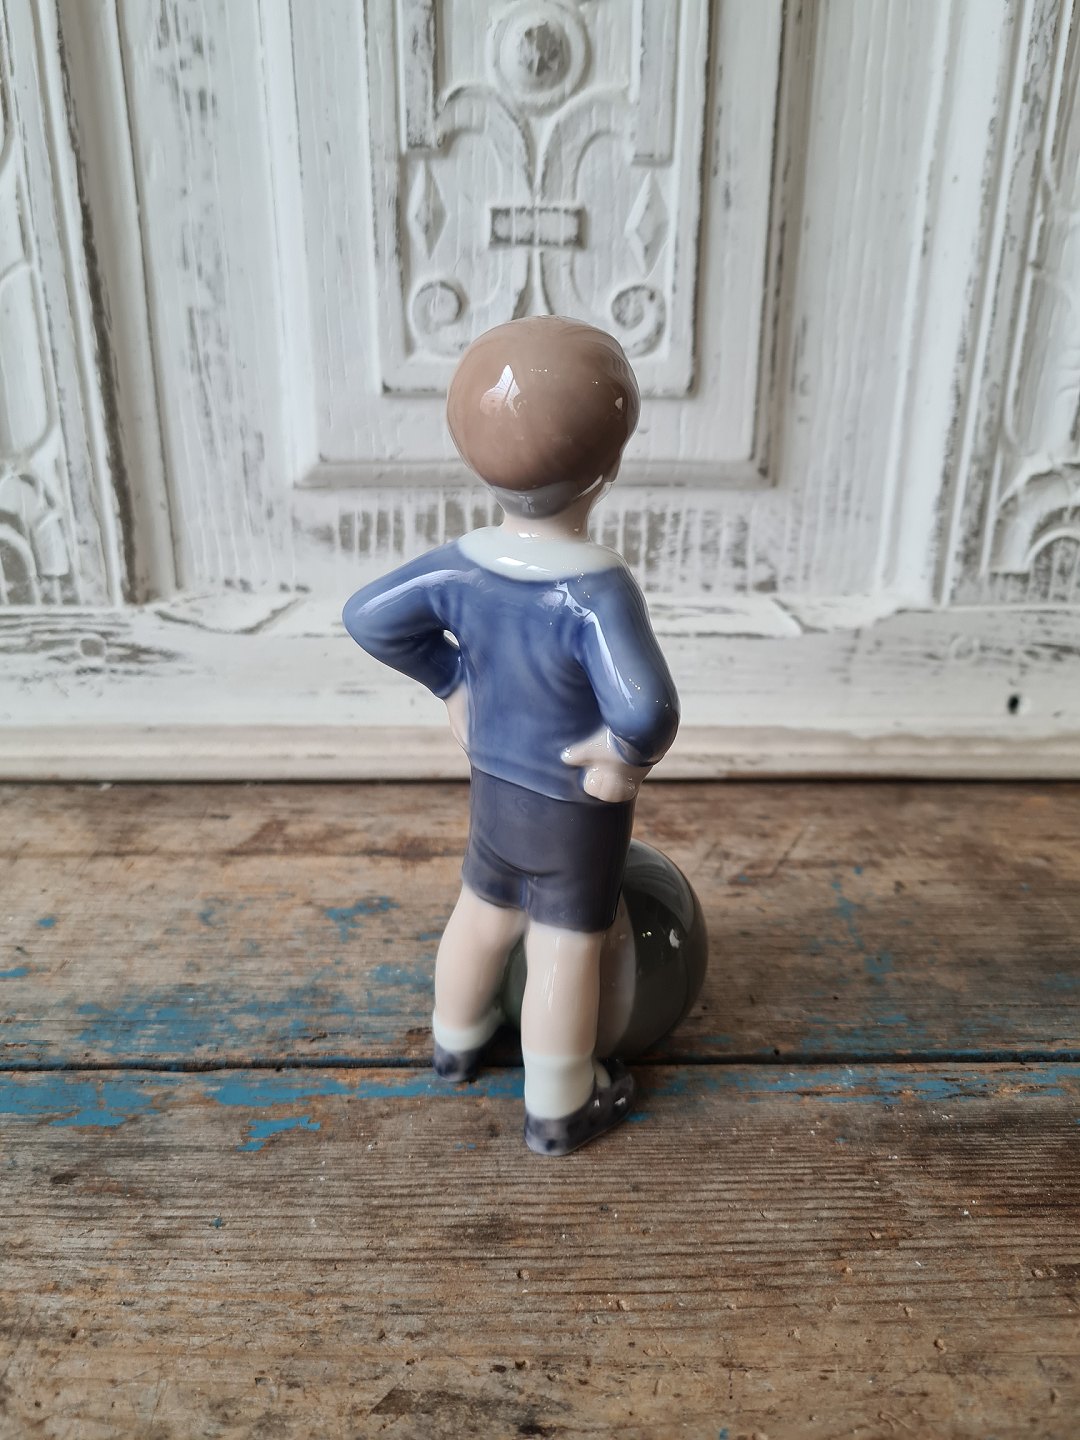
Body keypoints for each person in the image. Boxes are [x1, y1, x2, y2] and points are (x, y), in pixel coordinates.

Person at [342, 316, 680, 1155]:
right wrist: (624, 759)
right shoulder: (595, 590)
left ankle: (455, 1040)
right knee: (567, 944)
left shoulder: (460, 566)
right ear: (610, 466)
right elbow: (646, 708)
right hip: (573, 808)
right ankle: (560, 1102)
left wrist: (451, 681)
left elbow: (368, 617)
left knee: (484, 910)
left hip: (495, 790)